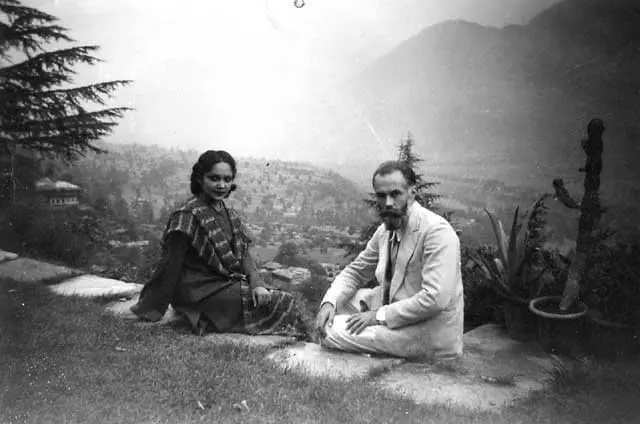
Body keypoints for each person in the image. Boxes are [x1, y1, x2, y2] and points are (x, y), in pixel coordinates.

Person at [131, 150, 308, 338]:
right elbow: (169, 265)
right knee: (278, 302)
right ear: (200, 178)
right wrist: (152, 308)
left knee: (273, 296)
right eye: (214, 178)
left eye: (227, 179)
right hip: (197, 293)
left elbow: (244, 255)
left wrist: (257, 284)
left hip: (223, 284)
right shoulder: (185, 216)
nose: (221, 185)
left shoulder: (229, 214)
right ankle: (204, 317)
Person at [315, 160, 463, 361]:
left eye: (395, 194)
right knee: (336, 307)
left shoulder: (436, 232)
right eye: (381, 196)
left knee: (331, 331)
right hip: (393, 311)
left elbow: (435, 299)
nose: (388, 203)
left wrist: (376, 316)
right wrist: (329, 302)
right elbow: (356, 271)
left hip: (424, 330)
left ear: (412, 192)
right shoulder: (384, 231)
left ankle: (380, 349)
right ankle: (371, 343)